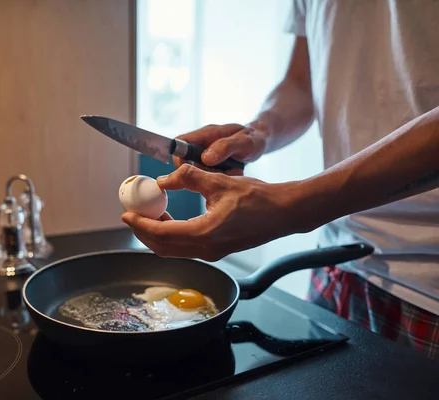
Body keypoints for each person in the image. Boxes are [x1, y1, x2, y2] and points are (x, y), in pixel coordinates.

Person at [122, 0, 439, 359]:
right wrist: (257, 133)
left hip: (428, 287)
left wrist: (296, 205)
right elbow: (302, 83)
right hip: (339, 261)